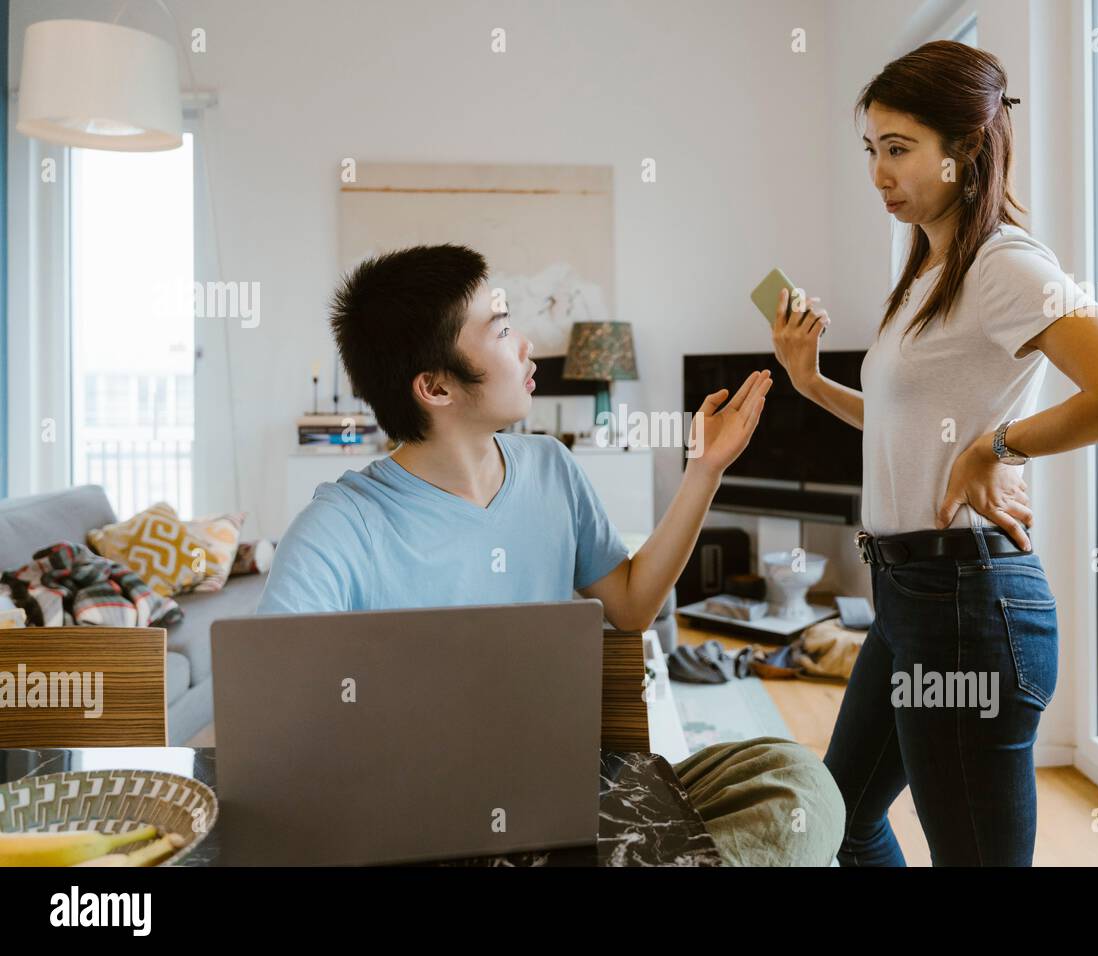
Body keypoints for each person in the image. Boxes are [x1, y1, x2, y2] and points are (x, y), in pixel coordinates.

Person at [257, 243, 846, 866]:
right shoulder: (341, 524)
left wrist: (704, 471)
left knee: (796, 781)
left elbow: (632, 604)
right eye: (501, 328)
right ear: (434, 386)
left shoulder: (551, 469)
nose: (526, 344)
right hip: (431, 825)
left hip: (570, 795)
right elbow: (276, 710)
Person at [771, 40, 1098, 866]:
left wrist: (1001, 444)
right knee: (841, 819)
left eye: (898, 150)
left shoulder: (1004, 265)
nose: (879, 174)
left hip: (967, 601)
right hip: (909, 595)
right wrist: (809, 383)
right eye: (871, 151)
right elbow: (909, 430)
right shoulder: (927, 272)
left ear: (965, 151)